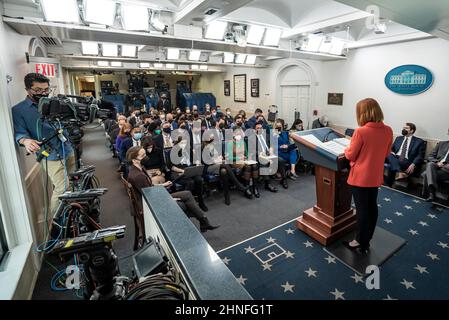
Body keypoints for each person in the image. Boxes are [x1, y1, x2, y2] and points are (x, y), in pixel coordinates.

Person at [12, 73, 76, 214]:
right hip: (50, 155)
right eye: (38, 90)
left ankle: (73, 213)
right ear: (28, 89)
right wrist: (26, 141)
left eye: (46, 89)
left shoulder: (54, 103)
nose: (43, 93)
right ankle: (56, 224)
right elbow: (20, 133)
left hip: (67, 148)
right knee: (62, 189)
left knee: (73, 183)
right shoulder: (19, 110)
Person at [126, 146, 219, 232]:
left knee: (186, 194)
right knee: (183, 204)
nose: (146, 157)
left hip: (152, 197)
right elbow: (149, 196)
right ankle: (188, 227)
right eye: (143, 156)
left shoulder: (138, 168)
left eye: (145, 154)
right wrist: (169, 199)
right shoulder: (138, 176)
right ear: (134, 160)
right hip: (149, 205)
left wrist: (162, 185)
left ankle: (203, 221)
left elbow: (148, 188)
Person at [343, 98, 392, 254]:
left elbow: (350, 155)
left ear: (362, 113)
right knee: (372, 208)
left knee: (362, 210)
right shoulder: (388, 130)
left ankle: (359, 242)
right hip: (375, 176)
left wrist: (347, 148)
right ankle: (366, 239)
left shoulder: (361, 131)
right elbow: (386, 153)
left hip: (360, 178)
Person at [385, 123, 425, 187]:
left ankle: (389, 185)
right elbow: (391, 148)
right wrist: (391, 151)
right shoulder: (398, 138)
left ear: (412, 130)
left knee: (390, 166)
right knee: (388, 154)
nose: (403, 129)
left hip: (406, 160)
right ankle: (400, 172)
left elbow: (420, 155)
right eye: (403, 128)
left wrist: (413, 164)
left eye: (406, 128)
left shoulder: (419, 141)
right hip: (395, 157)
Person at [422, 131, 449, 202]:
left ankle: (429, 194)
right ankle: (432, 193)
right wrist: (437, 162)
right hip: (437, 166)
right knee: (430, 164)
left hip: (447, 171)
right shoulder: (441, 144)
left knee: (426, 174)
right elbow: (430, 156)